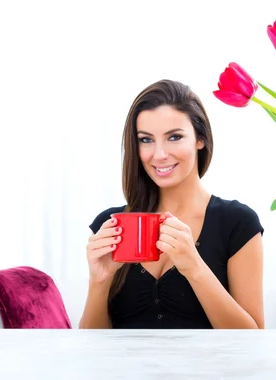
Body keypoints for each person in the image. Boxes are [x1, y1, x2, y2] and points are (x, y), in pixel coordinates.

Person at [79, 80, 264, 329]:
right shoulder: (110, 225)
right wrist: (99, 282)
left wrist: (194, 267)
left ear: (200, 139)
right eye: (146, 140)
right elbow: (93, 348)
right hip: (125, 369)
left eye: (174, 137)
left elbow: (252, 339)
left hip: (209, 369)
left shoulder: (237, 223)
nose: (159, 154)